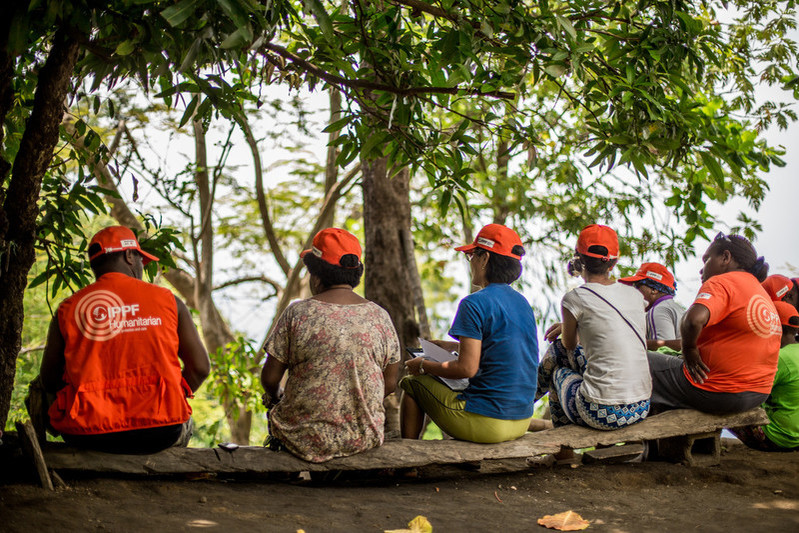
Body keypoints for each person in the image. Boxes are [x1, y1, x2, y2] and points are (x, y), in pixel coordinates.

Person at [29, 226, 210, 454]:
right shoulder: (169, 301)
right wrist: (168, 398)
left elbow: (49, 380)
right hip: (160, 432)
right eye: (140, 261)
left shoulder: (68, 309)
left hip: (87, 434)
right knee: (183, 418)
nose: (141, 269)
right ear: (128, 255)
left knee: (37, 388)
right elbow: (201, 369)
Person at [260, 228, 400, 463]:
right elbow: (390, 383)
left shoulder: (298, 313)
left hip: (302, 438)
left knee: (273, 407)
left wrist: (277, 397)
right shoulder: (379, 316)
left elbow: (270, 379)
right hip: (364, 437)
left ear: (317, 275)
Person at [400, 224, 539, 443]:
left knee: (412, 383)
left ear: (484, 259)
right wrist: (452, 347)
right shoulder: (522, 303)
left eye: (472, 255)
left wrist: (422, 365)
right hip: (521, 420)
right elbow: (501, 347)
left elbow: (466, 368)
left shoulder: (474, 303)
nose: (471, 262)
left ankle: (406, 462)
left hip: (488, 424)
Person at [647, 232, 780, 414]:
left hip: (718, 392)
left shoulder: (722, 282)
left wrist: (689, 350)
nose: (702, 270)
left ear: (725, 257)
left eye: (706, 260)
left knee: (638, 359)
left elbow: (693, 320)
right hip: (757, 393)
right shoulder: (760, 291)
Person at [538, 224, 651, 430]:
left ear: (579, 260)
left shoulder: (575, 298)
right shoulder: (636, 296)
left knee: (557, 368)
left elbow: (569, 345)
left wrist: (567, 327)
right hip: (641, 406)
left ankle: (523, 405)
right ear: (613, 264)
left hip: (601, 412)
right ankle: (523, 401)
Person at [729, 301, 799, 451]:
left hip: (779, 438)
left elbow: (747, 393)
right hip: (796, 436)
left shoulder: (780, 358)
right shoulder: (792, 353)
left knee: (722, 403)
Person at [619, 262, 685, 351]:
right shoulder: (677, 308)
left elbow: (665, 352)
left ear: (654, 290)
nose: (634, 291)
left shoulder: (658, 310)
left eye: (637, 286)